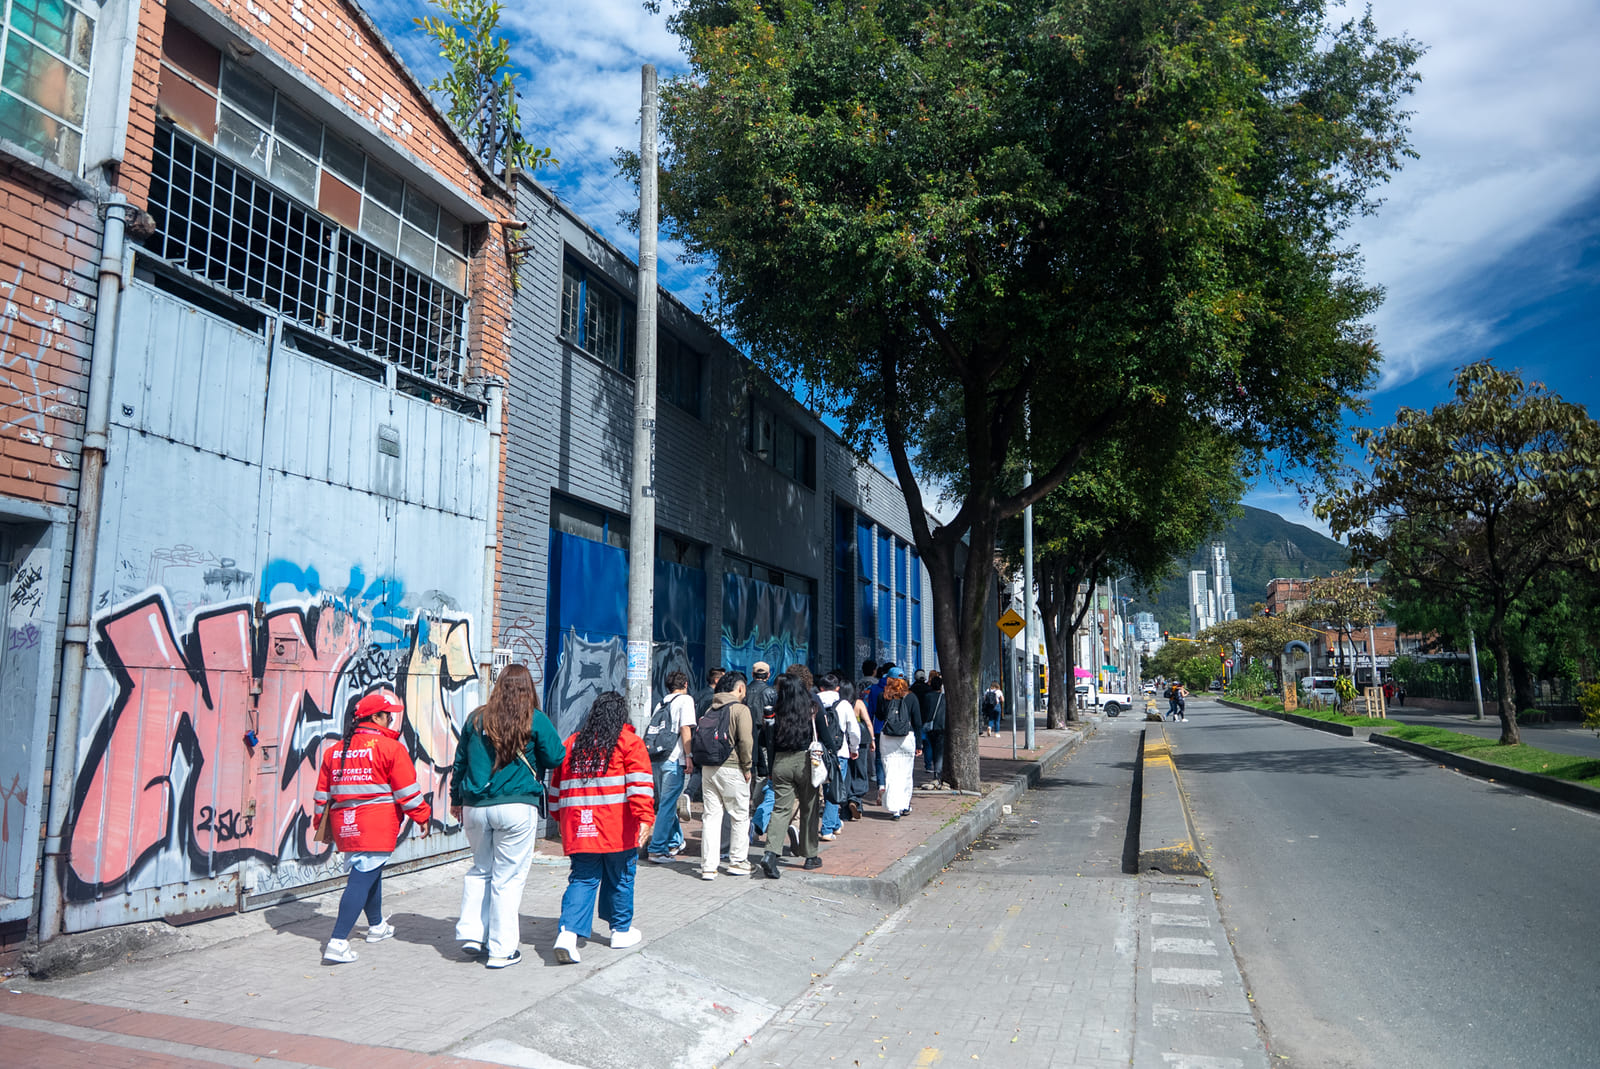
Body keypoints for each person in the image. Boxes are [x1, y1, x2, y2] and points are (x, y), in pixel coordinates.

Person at [449, 665, 566, 968]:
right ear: (529, 688)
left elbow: (460, 761)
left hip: (475, 805)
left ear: (499, 685)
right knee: (508, 879)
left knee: (480, 869)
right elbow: (556, 756)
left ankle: (472, 933)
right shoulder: (535, 719)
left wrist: (455, 799)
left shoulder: (477, 718)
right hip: (517, 806)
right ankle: (501, 950)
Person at [314, 690, 431, 964]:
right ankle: (338, 941)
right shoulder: (391, 749)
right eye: (387, 716)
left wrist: (321, 823)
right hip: (376, 824)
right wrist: (422, 815)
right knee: (361, 878)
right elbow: (407, 792)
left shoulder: (335, 751)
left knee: (369, 871)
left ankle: (377, 927)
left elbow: (322, 795)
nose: (391, 721)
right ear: (375, 717)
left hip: (346, 825)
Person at [548, 690, 655, 964]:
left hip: (580, 829)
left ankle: (568, 935)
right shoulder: (629, 743)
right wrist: (645, 819)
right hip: (617, 828)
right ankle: (620, 930)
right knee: (620, 877)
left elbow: (557, 787)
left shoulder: (572, 743)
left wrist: (559, 820)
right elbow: (639, 786)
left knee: (582, 878)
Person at [758, 674, 839, 877]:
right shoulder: (812, 709)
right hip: (807, 763)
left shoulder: (775, 712)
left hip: (781, 764)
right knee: (809, 809)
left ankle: (770, 853)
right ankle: (810, 856)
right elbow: (827, 738)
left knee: (780, 810)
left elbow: (762, 740)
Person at [697, 670, 755, 879]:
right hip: (732, 768)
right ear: (740, 688)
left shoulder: (710, 708)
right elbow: (746, 742)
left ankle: (708, 867)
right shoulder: (740, 710)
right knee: (739, 816)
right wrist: (747, 767)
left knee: (711, 817)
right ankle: (738, 862)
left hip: (708, 768)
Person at [646, 671, 697, 864]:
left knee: (667, 802)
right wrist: (689, 756)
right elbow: (686, 728)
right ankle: (657, 849)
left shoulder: (662, 703)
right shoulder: (685, 700)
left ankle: (675, 841)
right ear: (685, 683)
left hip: (658, 758)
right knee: (668, 805)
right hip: (674, 759)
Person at [818, 673, 858, 841]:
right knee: (834, 789)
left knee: (825, 789)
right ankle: (827, 828)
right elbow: (854, 731)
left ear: (820, 687)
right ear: (837, 688)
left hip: (817, 752)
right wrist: (853, 748)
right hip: (839, 752)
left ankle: (835, 823)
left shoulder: (814, 701)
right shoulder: (844, 705)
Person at [876, 672, 923, 818]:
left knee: (890, 773)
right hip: (906, 738)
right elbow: (917, 722)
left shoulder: (883, 697)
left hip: (887, 738)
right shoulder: (911, 697)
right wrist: (919, 745)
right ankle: (905, 805)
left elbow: (879, 715)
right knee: (906, 773)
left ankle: (894, 809)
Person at [745, 662, 778, 845]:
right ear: (768, 674)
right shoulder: (771, 693)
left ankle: (750, 805)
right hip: (765, 739)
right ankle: (757, 809)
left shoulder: (745, 691)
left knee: (750, 772)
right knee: (763, 776)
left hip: (747, 737)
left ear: (752, 673)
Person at [839, 680, 873, 820]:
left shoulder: (839, 704)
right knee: (860, 770)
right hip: (860, 740)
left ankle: (846, 808)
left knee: (846, 773)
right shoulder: (858, 703)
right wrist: (872, 740)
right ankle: (856, 800)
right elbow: (868, 722)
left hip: (843, 740)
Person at [919, 673, 948, 786]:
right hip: (941, 726)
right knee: (939, 751)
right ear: (940, 686)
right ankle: (938, 773)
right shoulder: (944, 697)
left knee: (930, 746)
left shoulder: (927, 697)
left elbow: (924, 712)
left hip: (929, 727)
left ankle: (929, 766)